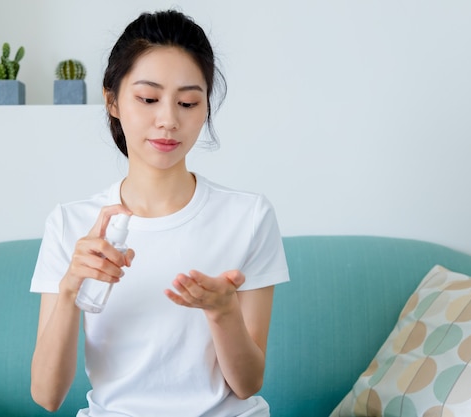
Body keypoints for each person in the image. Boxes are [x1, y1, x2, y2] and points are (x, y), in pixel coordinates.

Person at [29, 9, 289, 417]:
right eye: (148, 99)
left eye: (188, 102)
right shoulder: (71, 224)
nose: (168, 120)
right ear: (112, 100)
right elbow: (47, 396)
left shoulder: (249, 215)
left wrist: (222, 311)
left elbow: (248, 383)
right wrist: (69, 290)